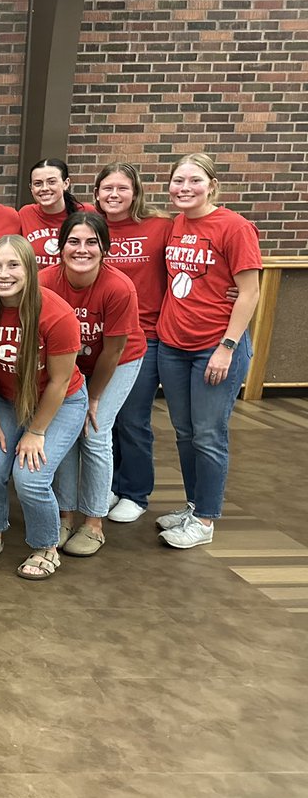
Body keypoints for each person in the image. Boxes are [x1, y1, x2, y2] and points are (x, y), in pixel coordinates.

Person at [0, 235, 87, 580]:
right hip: (4, 399)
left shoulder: (57, 315)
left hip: (59, 402)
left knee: (29, 477)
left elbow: (60, 382)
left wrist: (36, 432)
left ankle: (46, 546)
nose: (5, 274)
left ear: (30, 269)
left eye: (14, 265)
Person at [155, 154, 261, 549]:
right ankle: (193, 504)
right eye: (177, 180)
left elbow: (249, 292)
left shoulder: (234, 227)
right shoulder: (176, 225)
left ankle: (205, 519)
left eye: (194, 180)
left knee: (209, 435)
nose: (184, 188)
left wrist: (227, 347)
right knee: (184, 433)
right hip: (173, 344)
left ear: (211, 185)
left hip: (215, 346)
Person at [40, 212, 146, 556]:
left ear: (105, 249)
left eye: (91, 243)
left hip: (116, 361)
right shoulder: (45, 281)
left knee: (94, 432)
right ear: (60, 247)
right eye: (74, 241)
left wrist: (94, 398)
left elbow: (113, 351)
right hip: (69, 362)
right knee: (67, 431)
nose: (82, 250)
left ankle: (94, 523)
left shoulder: (118, 287)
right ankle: (65, 515)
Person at [95, 163, 174, 524]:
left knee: (132, 418)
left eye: (122, 188)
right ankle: (110, 485)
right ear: (96, 193)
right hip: (99, 336)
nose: (114, 195)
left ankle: (136, 492)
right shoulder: (91, 227)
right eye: (107, 188)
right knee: (102, 418)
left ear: (136, 192)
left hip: (146, 336)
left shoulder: (160, 227)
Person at [18, 158, 93, 268]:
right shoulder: (25, 214)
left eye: (51, 182)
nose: (44, 188)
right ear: (31, 188)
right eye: (38, 183)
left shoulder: (86, 212)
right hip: (37, 284)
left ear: (66, 183)